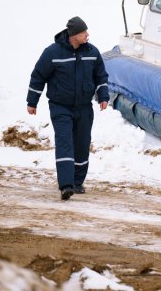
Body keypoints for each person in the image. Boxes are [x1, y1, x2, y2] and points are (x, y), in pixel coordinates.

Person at [26, 16, 109, 200]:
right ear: (73, 35)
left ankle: (77, 183)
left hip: (84, 107)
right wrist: (32, 102)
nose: (87, 35)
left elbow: (101, 77)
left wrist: (103, 96)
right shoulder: (52, 53)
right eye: (83, 32)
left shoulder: (92, 52)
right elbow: (38, 76)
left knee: (81, 144)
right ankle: (66, 185)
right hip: (60, 107)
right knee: (65, 143)